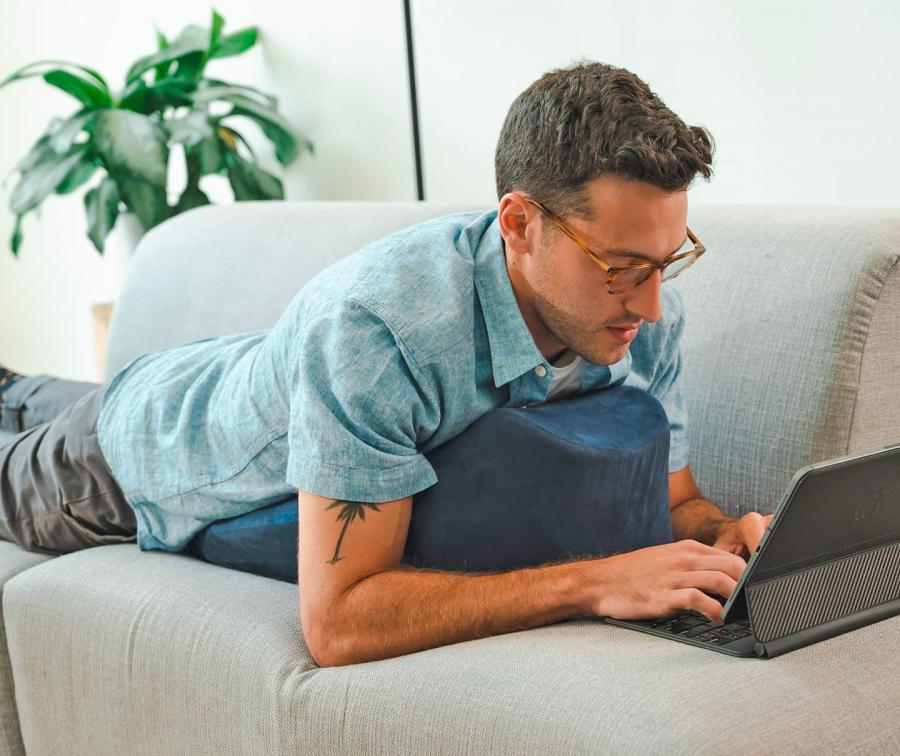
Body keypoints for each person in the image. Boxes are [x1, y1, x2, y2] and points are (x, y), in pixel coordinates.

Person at [0, 60, 773, 668]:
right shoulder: (379, 328)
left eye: (666, 264)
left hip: (235, 371)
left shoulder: (641, 316)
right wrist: (594, 582)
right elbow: (337, 623)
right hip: (140, 454)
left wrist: (719, 536)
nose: (651, 305)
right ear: (519, 223)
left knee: (23, 391)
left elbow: (676, 501)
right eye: (620, 267)